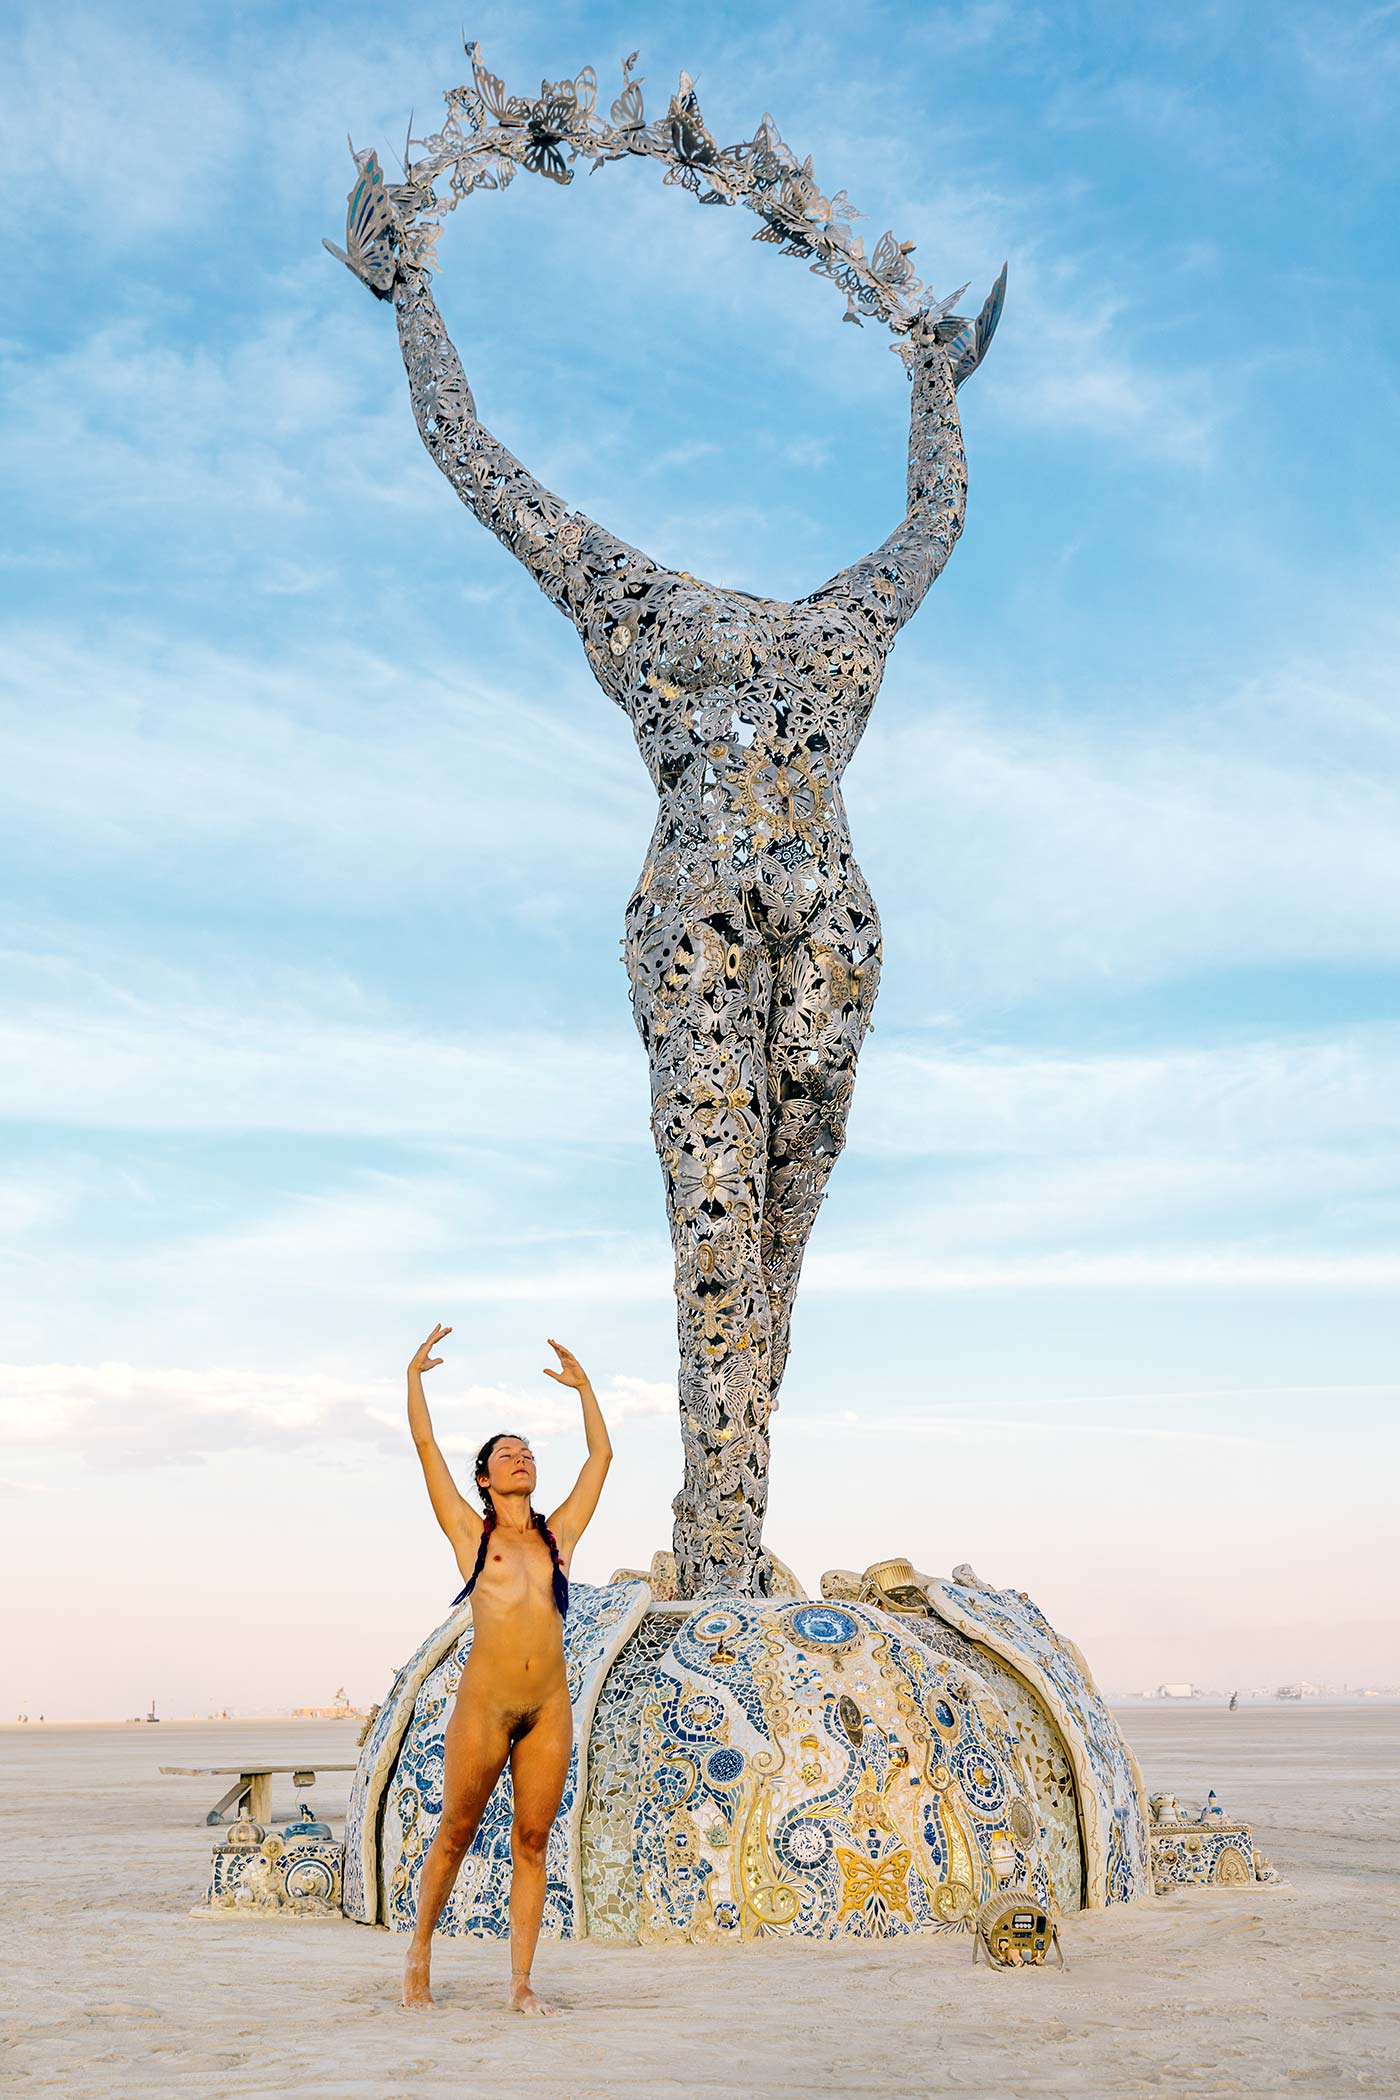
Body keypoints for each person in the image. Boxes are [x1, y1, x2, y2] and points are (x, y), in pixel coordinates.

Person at [337, 184, 997, 1598]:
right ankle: (717, 1544)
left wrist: (935, 380)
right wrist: (414, 305)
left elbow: (937, 516)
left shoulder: (800, 616)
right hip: (724, 923)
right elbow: (479, 464)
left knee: (760, 1241)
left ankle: (724, 1523)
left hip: (815, 931)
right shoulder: (737, 613)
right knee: (736, 1231)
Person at [400, 1323, 612, 2014]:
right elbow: (426, 1447)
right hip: (485, 1708)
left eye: (526, 1452)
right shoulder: (472, 1532)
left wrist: (585, 1391)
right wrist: (413, 1380)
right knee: (457, 1832)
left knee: (533, 1839)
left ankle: (521, 1983)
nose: (521, 1458)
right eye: (506, 1454)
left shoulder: (561, 1535)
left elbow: (601, 1456)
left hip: (549, 1705)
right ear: (486, 1478)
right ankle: (419, 1952)